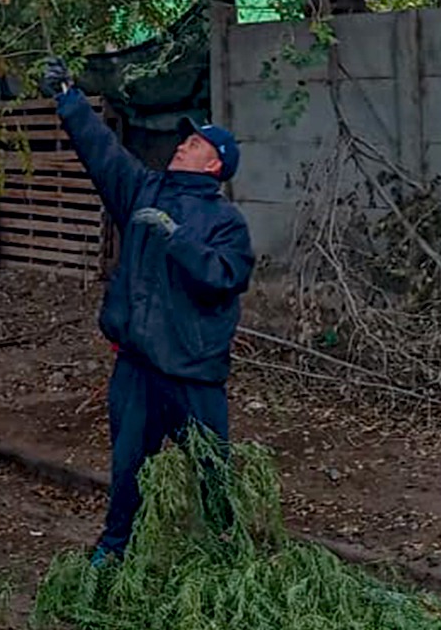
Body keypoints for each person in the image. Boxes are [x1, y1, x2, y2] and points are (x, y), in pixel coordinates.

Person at [39, 57, 255, 566]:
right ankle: (115, 553)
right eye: (185, 139)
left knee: (212, 469)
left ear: (215, 165)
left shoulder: (226, 222)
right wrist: (68, 99)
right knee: (129, 468)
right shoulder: (143, 190)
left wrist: (178, 239)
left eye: (195, 143)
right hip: (137, 366)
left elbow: (226, 277)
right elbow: (103, 154)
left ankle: (227, 558)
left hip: (191, 373)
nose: (182, 144)